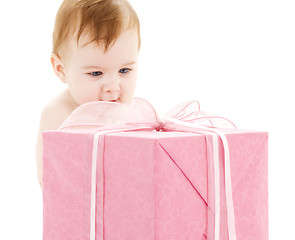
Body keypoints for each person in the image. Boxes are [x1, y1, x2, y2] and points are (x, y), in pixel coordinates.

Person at [35, 0, 141, 192]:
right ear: (61, 69)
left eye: (124, 70)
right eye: (96, 74)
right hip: (77, 210)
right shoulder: (59, 114)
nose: (112, 87)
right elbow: (47, 178)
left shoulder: (132, 113)